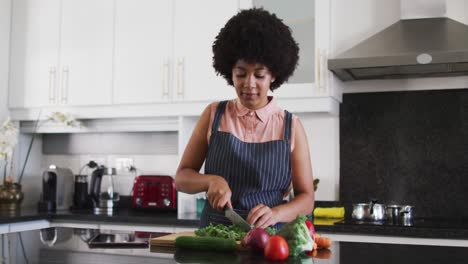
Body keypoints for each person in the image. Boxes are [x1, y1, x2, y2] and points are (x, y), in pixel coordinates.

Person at [175, 8, 314, 229]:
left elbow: (307, 198)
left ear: (274, 75)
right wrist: (210, 181)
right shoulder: (213, 114)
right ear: (229, 72)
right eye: (241, 74)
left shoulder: (291, 126)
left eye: (259, 75)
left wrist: (277, 213)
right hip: (216, 237)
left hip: (268, 239)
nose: (249, 83)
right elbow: (181, 178)